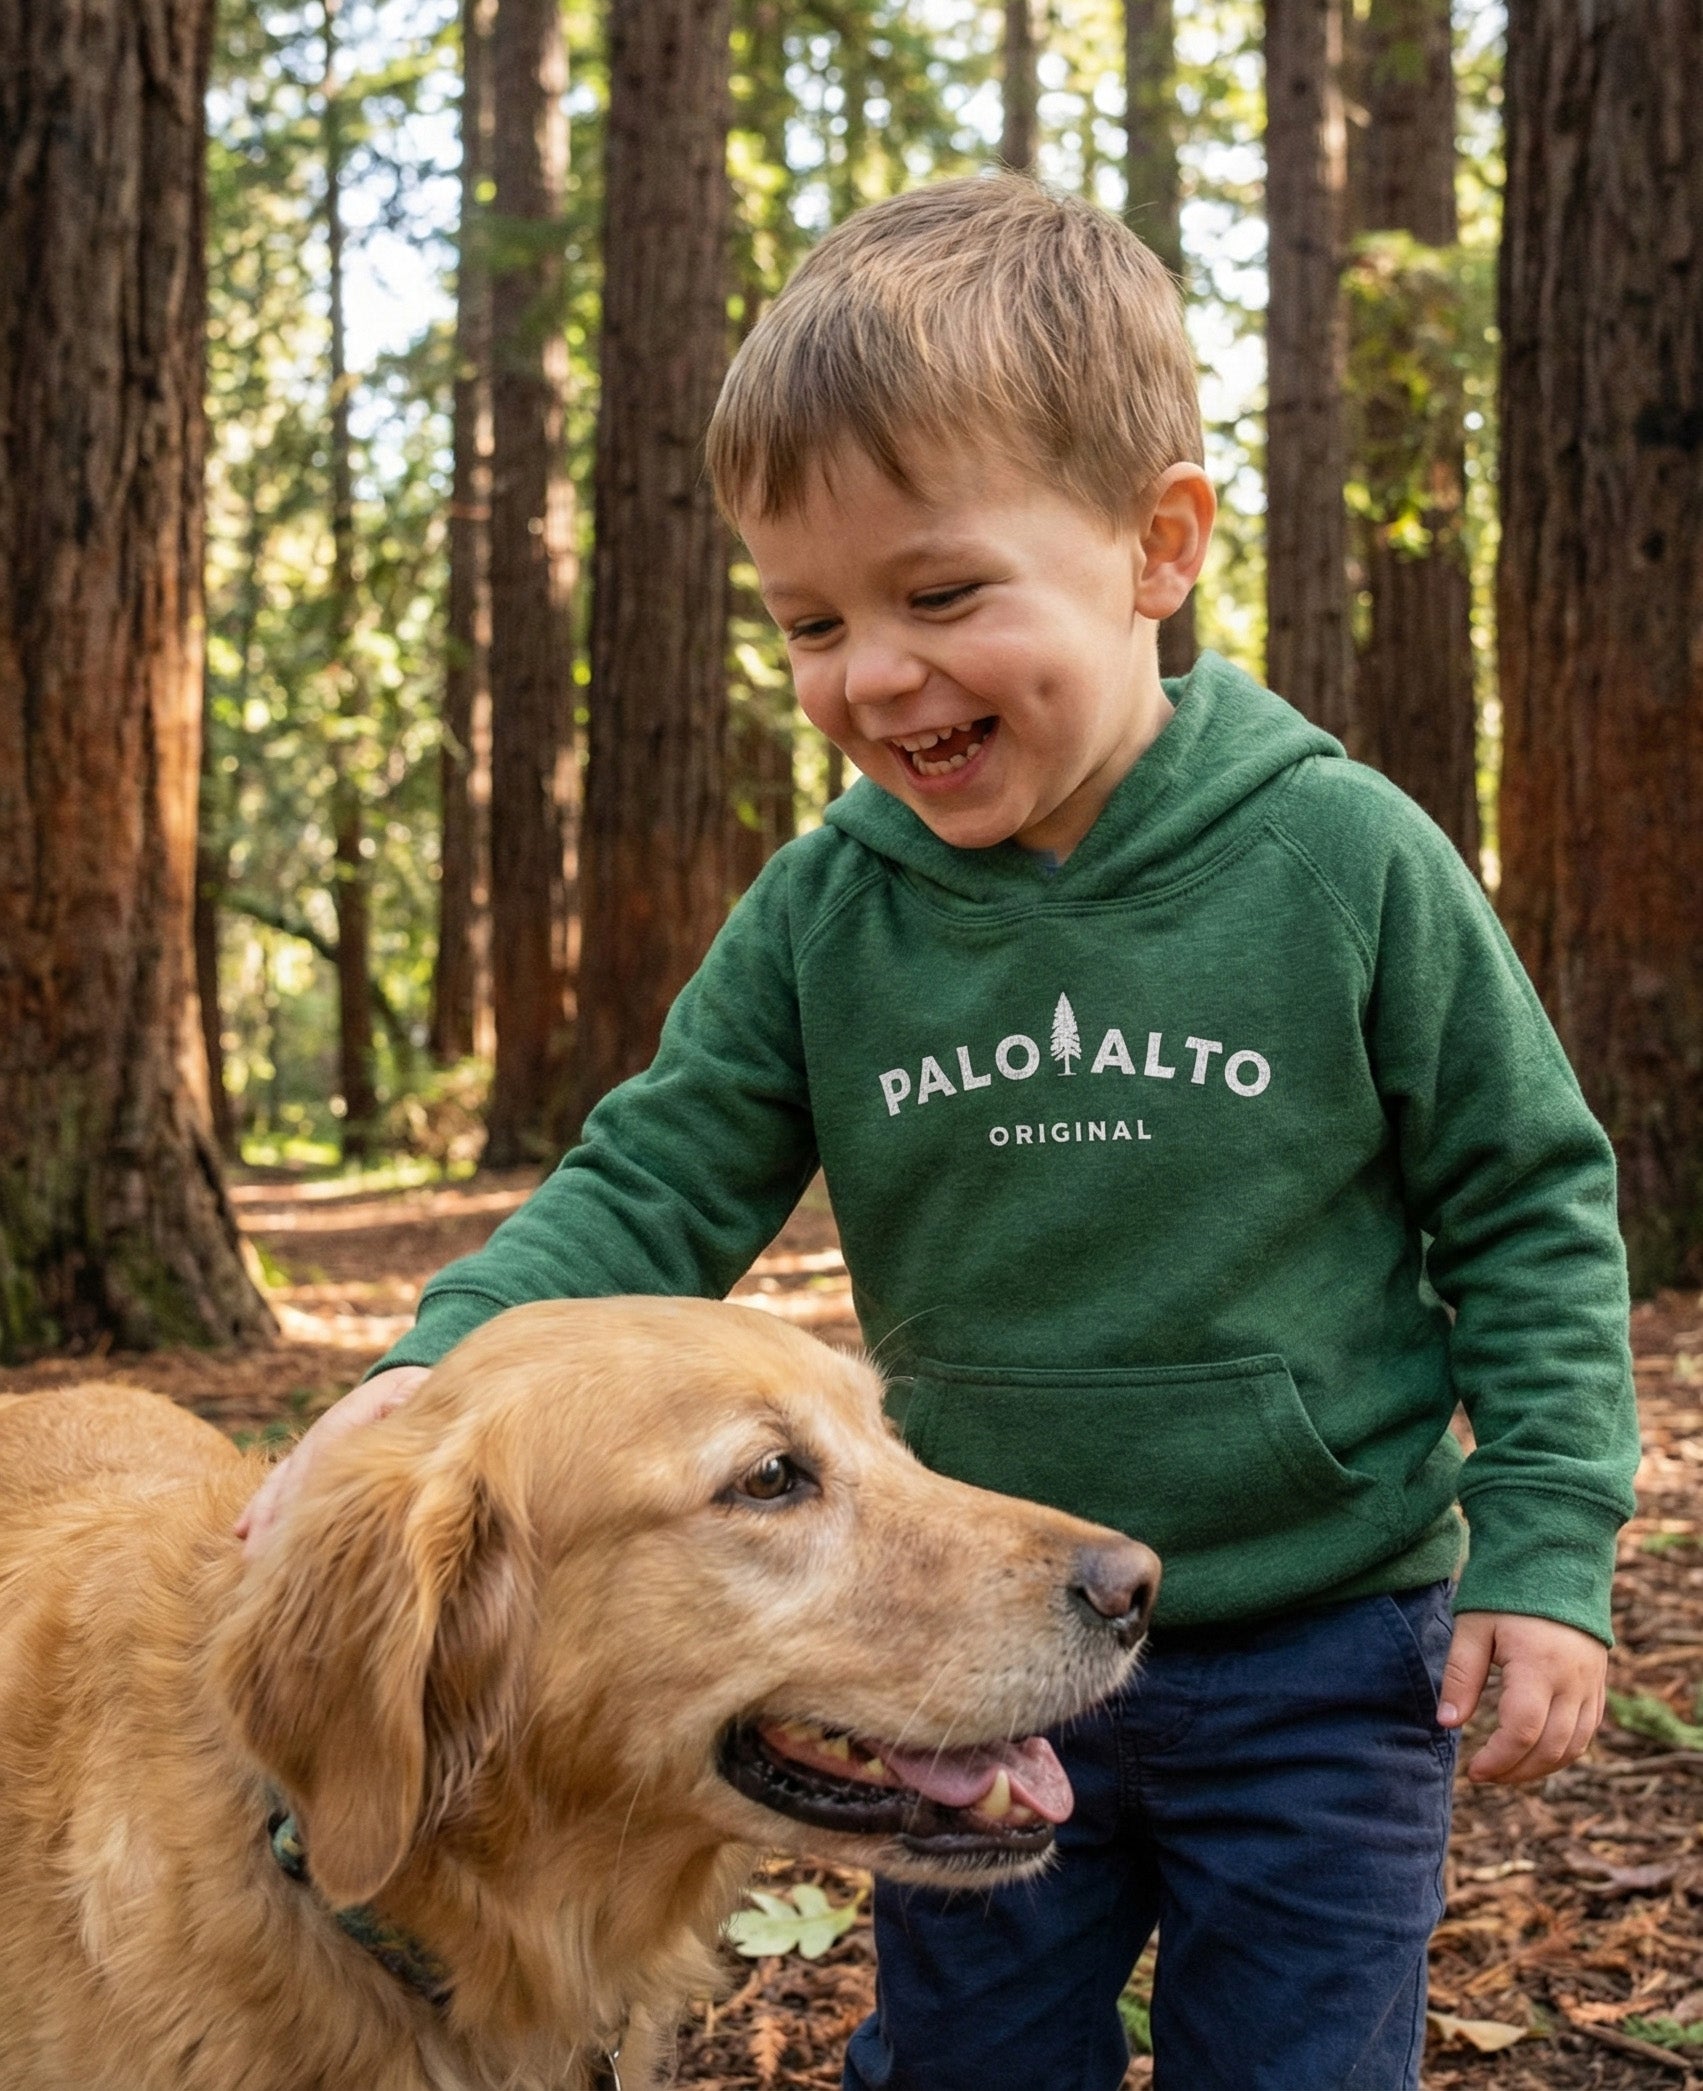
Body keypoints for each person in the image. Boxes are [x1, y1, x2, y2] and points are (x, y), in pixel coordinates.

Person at [240, 176, 1638, 2090]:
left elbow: (1529, 1202)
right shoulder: (832, 912)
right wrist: (427, 1374)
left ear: (1159, 544)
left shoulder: (1343, 858)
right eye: (811, 620)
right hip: (953, 1635)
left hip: (1316, 1646)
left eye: (940, 594)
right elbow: (659, 1175)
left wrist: (1549, 1544)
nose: (871, 675)